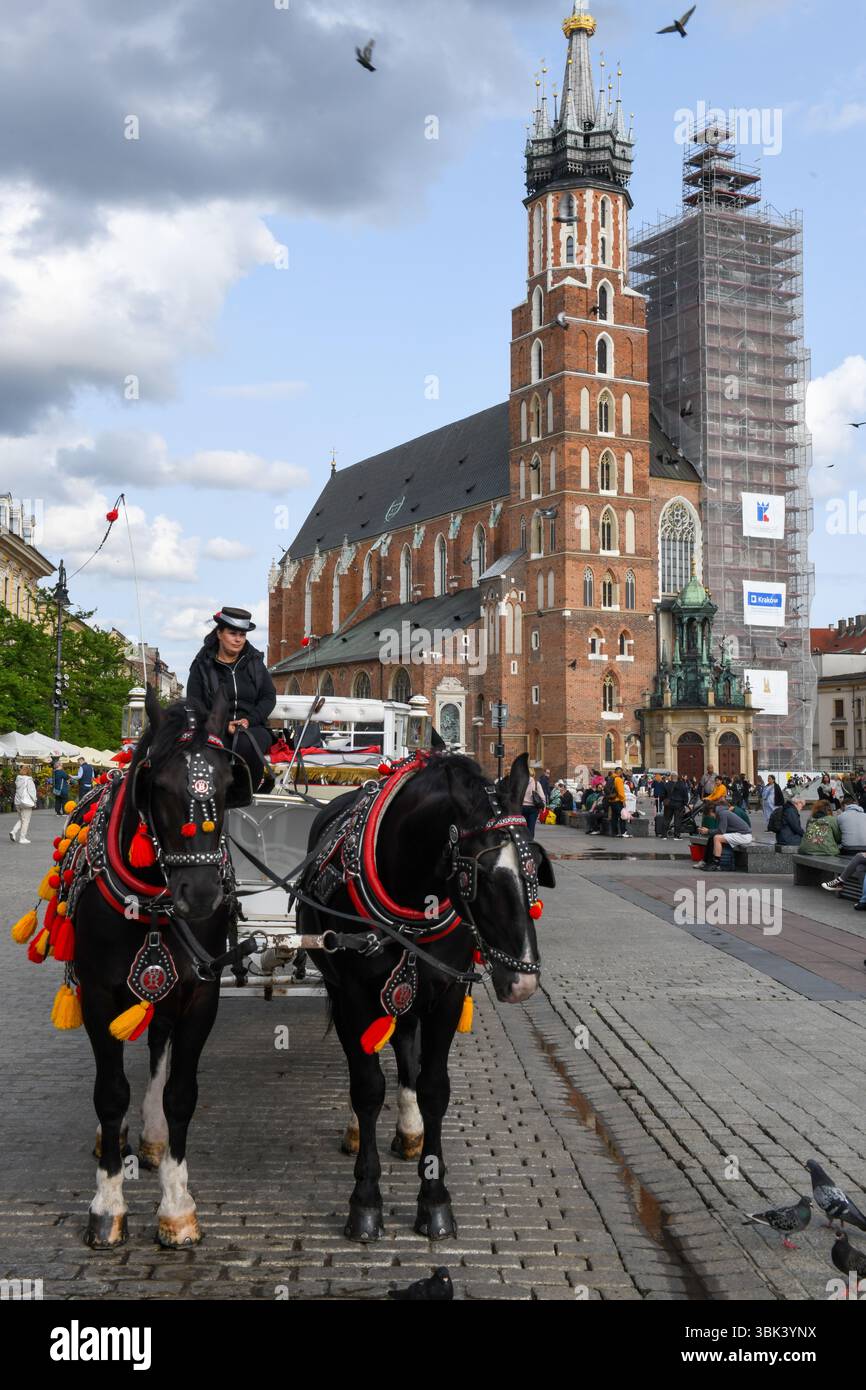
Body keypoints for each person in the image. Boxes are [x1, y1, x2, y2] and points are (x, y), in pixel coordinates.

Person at [186, 606, 277, 792]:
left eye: (242, 635)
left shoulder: (255, 662)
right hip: (214, 727)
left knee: (247, 742)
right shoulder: (202, 666)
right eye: (233, 633)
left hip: (252, 726)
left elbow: (268, 697)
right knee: (215, 747)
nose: (238, 639)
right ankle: (214, 793)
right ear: (219, 633)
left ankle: (246, 793)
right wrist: (224, 723)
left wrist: (248, 720)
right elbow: (195, 704)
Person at [699, 799, 753, 870]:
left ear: (711, 811)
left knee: (717, 838)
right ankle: (710, 862)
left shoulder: (723, 813)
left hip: (744, 836)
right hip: (741, 834)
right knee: (714, 837)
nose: (711, 817)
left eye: (709, 815)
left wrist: (708, 831)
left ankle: (716, 864)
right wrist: (709, 831)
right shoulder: (722, 812)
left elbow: (721, 831)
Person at [10, 763, 37, 843]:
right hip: (26, 802)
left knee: (22, 819)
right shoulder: (28, 780)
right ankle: (22, 838)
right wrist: (34, 801)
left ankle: (13, 832)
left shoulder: (18, 779)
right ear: (29, 771)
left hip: (18, 802)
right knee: (26, 820)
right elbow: (32, 792)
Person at [521, 768, 546, 838]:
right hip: (533, 808)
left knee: (523, 827)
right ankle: (530, 843)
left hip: (522, 807)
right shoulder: (536, 783)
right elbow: (542, 796)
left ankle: (523, 842)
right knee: (531, 828)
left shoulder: (521, 783)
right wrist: (543, 807)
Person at [664, 774, 690, 838]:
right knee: (677, 820)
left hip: (669, 804)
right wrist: (685, 803)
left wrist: (664, 801)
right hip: (679, 804)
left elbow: (663, 794)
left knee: (667, 819)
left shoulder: (667, 784)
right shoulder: (682, 785)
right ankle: (677, 835)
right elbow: (685, 795)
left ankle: (664, 834)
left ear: (671, 778)